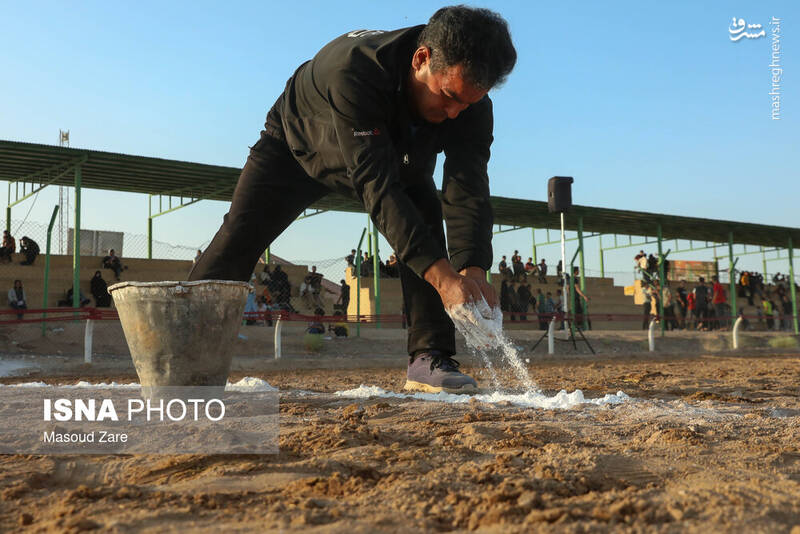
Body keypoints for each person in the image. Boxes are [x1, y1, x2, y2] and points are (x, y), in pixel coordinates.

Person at [187, 6, 516, 394]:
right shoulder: (356, 69)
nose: (454, 113)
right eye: (447, 97)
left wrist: (473, 269)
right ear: (421, 59)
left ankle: (429, 358)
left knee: (425, 229)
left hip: (397, 156)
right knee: (238, 238)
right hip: (299, 146)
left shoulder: (469, 107)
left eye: (467, 103)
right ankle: (183, 350)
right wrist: (444, 279)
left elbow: (469, 186)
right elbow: (376, 185)